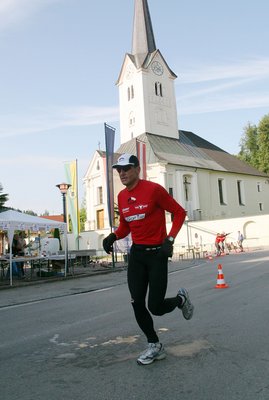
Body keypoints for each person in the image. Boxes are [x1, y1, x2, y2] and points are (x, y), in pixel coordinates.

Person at [103, 153, 194, 365]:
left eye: (126, 168)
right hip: (137, 255)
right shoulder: (121, 196)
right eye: (119, 170)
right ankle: (154, 345)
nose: (122, 173)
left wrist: (169, 239)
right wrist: (114, 235)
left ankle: (181, 300)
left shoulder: (154, 190)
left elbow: (179, 213)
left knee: (155, 306)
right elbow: (126, 225)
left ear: (137, 169)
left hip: (157, 255)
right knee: (136, 302)